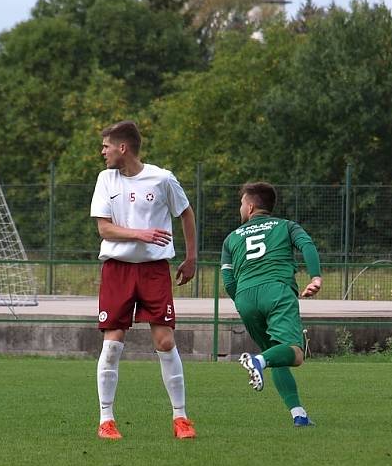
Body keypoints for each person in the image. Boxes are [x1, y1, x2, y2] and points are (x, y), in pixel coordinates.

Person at [90, 120, 198, 440]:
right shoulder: (105, 179)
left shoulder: (162, 178)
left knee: (165, 341)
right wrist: (139, 234)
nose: (103, 152)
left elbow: (186, 213)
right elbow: (105, 229)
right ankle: (106, 420)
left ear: (123, 148)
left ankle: (181, 419)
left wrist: (191, 258)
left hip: (154, 271)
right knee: (112, 347)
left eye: (107, 146)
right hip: (117, 269)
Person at [221, 182, 322, 427]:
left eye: (242, 203)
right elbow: (307, 245)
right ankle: (257, 362)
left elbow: (227, 278)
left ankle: (298, 414)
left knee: (275, 354)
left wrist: (242, 301)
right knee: (294, 354)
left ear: (251, 206)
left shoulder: (232, 238)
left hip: (245, 296)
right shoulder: (286, 226)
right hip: (276, 291)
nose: (241, 208)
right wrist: (315, 277)